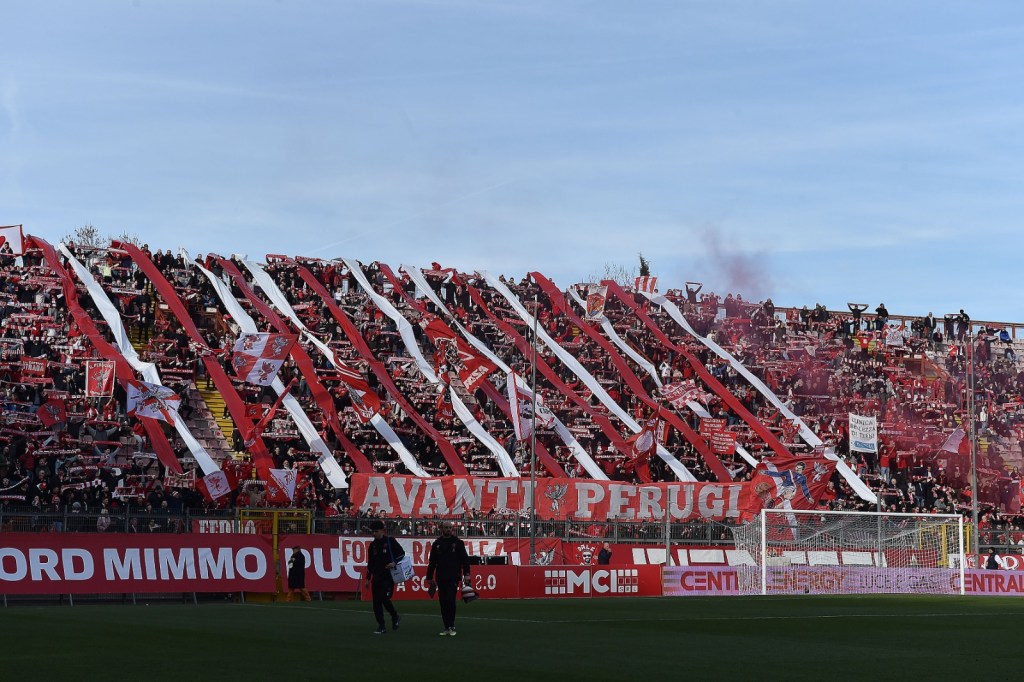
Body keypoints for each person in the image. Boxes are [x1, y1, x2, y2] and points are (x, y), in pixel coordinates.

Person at [426, 521, 471, 637]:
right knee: (443, 602)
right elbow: (432, 562)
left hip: (454, 576)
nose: (448, 529)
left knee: (450, 600)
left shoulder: (458, 543)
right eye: (446, 528)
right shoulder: (437, 543)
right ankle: (446, 626)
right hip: (441, 576)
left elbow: (465, 560)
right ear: (442, 529)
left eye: (450, 527)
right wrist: (429, 577)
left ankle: (451, 625)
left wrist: (467, 574)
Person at [366, 519, 403, 635]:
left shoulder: (390, 541)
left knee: (384, 598)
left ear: (382, 531)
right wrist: (368, 578)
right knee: (376, 603)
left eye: (376, 531)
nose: (374, 533)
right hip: (377, 577)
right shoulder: (372, 545)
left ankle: (394, 615)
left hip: (388, 576)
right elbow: (370, 563)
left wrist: (394, 563)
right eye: (372, 531)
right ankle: (381, 625)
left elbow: (402, 553)